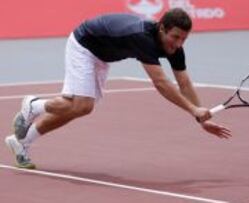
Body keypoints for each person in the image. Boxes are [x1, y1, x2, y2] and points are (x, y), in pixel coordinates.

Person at [5, 8, 232, 169]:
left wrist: (202, 117)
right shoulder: (143, 38)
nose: (179, 44)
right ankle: (33, 105)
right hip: (84, 44)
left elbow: (184, 83)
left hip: (103, 55)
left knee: (82, 108)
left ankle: (21, 142)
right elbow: (162, 84)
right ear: (162, 28)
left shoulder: (175, 48)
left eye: (184, 39)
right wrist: (193, 111)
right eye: (175, 37)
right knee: (82, 104)